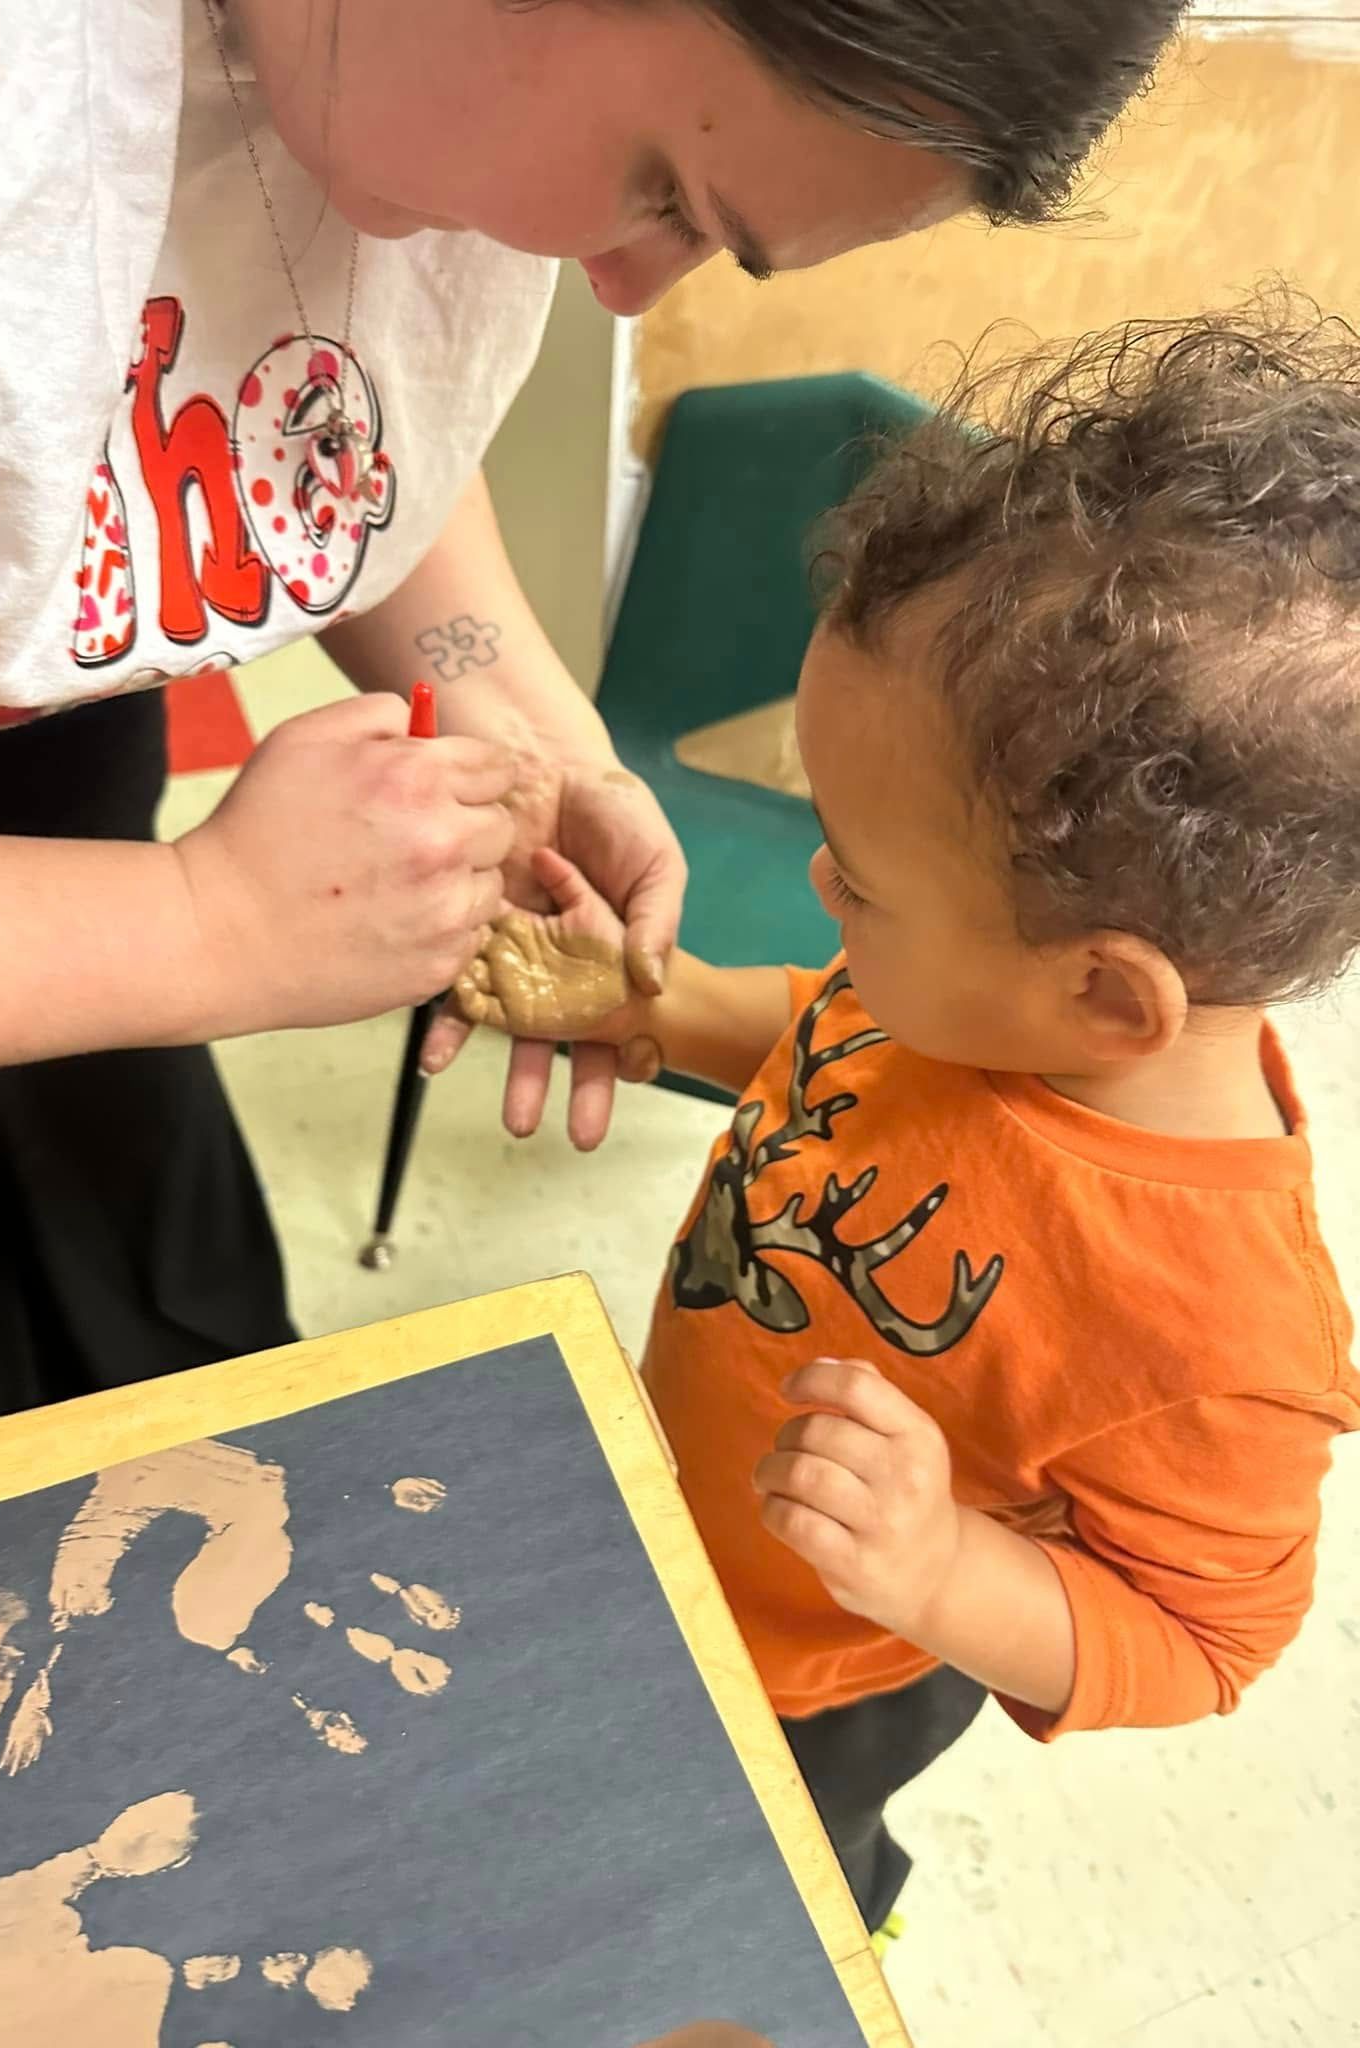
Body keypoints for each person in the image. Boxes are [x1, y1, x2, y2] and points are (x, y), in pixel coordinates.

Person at [0, 0, 1185, 1455]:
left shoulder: (414, 130)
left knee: (186, 1365)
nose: (617, 284)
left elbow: (341, 417)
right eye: (665, 186)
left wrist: (536, 745)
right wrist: (204, 922)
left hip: (58, 794)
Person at [455, 300, 1360, 1941]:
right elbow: (812, 1039)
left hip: (824, 1677)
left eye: (856, 882)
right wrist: (642, 1003)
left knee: (749, 1900)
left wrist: (945, 1575)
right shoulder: (967, 998)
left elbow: (1208, 1645)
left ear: (1107, 999)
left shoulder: (1222, 1330)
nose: (815, 887)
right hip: (667, 1536)